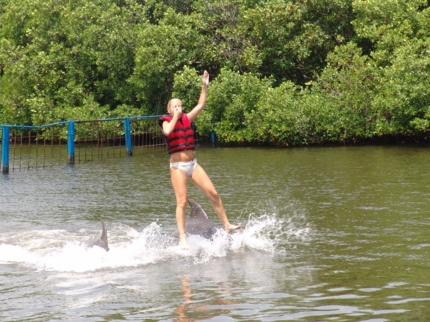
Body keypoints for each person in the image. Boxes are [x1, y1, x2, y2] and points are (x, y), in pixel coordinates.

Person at [159, 70, 241, 249]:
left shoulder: (187, 118)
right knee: (181, 201)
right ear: (169, 110)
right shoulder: (165, 121)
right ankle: (182, 237)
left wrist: (204, 85)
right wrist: (175, 117)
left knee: (213, 193)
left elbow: (201, 104)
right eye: (175, 106)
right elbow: (167, 132)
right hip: (177, 166)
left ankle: (227, 224)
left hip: (192, 164)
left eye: (180, 106)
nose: (179, 108)